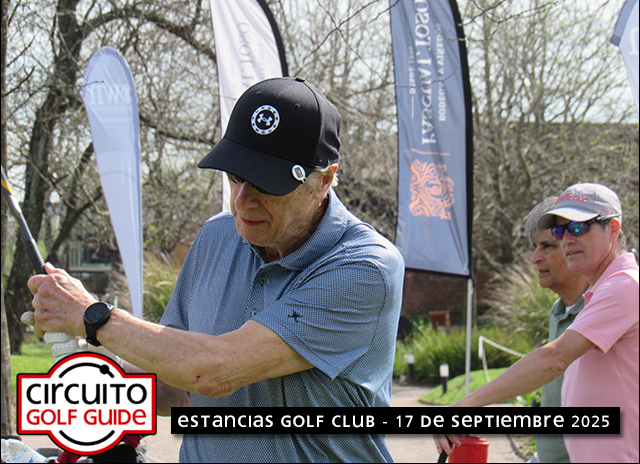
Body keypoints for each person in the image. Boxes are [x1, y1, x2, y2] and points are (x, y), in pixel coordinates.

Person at [28, 77, 405, 463]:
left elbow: (211, 371)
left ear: (323, 180)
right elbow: (182, 387)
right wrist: (90, 369)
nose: (242, 200)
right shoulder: (217, 236)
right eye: (235, 176)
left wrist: (93, 317)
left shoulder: (364, 267)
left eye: (266, 185)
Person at [434, 183, 638, 463]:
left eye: (578, 227)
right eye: (560, 231)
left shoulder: (625, 286)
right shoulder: (602, 292)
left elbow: (554, 359)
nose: (567, 239)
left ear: (613, 229)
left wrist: (467, 404)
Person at [524, 197, 589, 463]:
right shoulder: (558, 310)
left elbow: (552, 360)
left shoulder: (603, 310)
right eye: (535, 247)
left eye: (547, 246)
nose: (535, 258)